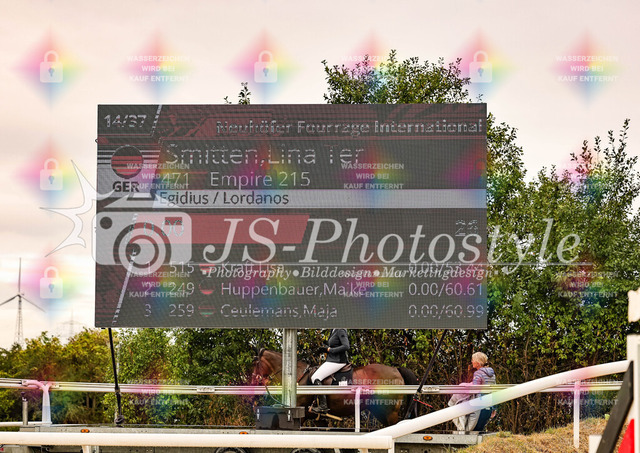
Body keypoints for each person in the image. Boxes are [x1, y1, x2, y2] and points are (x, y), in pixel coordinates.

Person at [448, 352, 497, 431]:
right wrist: (494, 407)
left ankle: (462, 427)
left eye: (473, 360)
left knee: (459, 404)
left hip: (479, 404)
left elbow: (474, 389)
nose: (472, 362)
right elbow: (494, 390)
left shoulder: (478, 373)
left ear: (478, 363)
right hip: (489, 404)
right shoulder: (492, 374)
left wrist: (463, 387)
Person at [309, 328, 350, 414]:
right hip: (331, 359)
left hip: (338, 361)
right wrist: (325, 346)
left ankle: (323, 406)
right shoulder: (333, 330)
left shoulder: (340, 330)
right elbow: (334, 344)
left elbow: (346, 346)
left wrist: (329, 350)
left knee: (315, 377)